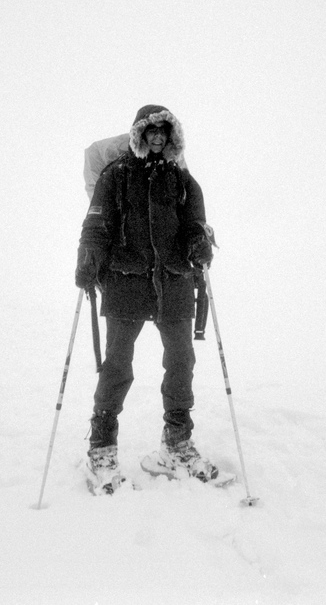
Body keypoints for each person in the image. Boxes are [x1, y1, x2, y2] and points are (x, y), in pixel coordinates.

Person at [75, 104, 216, 493]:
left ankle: (177, 444)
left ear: (172, 137)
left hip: (172, 282)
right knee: (118, 364)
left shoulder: (182, 180)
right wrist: (88, 260)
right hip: (126, 282)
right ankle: (101, 448)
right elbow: (97, 223)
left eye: (164, 132)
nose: (158, 138)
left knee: (181, 361)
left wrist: (199, 243)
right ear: (139, 134)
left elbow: (194, 223)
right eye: (151, 131)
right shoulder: (116, 175)